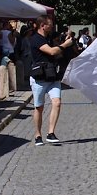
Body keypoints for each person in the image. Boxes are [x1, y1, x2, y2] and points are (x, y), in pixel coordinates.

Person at [27, 15, 76, 145]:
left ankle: (51, 133)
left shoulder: (48, 38)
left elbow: (57, 52)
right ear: (43, 25)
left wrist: (63, 43)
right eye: (50, 24)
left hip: (52, 76)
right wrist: (65, 45)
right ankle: (38, 135)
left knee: (57, 102)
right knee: (39, 107)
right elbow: (51, 52)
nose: (52, 26)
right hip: (40, 77)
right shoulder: (36, 39)